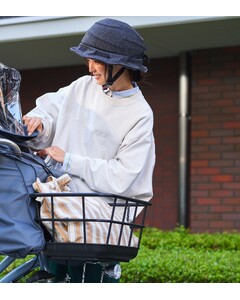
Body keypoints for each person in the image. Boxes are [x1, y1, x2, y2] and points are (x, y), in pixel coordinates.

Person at [22, 17, 156, 283]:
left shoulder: (139, 114)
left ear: (121, 63)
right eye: (88, 60)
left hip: (97, 223)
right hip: (59, 212)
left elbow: (122, 176)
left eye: (97, 60)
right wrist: (38, 123)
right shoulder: (82, 86)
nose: (90, 68)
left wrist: (69, 159)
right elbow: (49, 110)